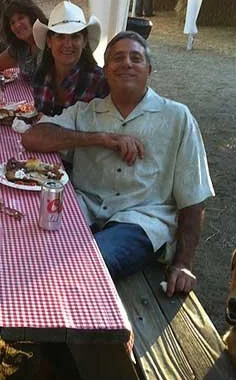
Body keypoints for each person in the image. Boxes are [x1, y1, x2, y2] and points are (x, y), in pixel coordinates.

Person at [22, 31, 214, 296]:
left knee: (89, 265)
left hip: (140, 219)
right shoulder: (86, 111)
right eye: (118, 58)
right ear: (106, 70)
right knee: (27, 245)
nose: (126, 64)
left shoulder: (177, 117)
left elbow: (194, 199)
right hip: (84, 209)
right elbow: (33, 137)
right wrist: (101, 138)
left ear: (149, 70)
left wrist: (183, 263)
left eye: (136, 58)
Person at [31, 0, 108, 115]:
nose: (68, 44)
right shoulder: (40, 77)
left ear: (84, 42)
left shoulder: (99, 81)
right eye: (60, 37)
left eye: (75, 37)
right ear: (49, 42)